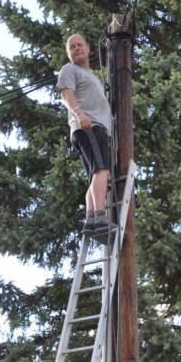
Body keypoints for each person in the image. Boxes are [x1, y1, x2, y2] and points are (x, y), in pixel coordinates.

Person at [57, 33, 112, 242]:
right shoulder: (69, 70)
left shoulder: (93, 77)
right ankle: (100, 217)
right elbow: (66, 94)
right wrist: (80, 114)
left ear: (88, 48)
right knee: (101, 170)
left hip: (95, 127)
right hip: (88, 126)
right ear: (68, 53)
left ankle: (90, 220)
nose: (76, 48)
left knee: (95, 174)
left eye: (80, 45)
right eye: (72, 47)